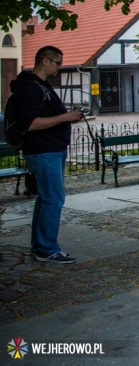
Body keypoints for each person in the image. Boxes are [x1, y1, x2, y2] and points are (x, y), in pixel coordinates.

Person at [8, 46, 84, 263]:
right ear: (45, 61)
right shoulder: (31, 88)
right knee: (53, 199)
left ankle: (40, 245)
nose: (60, 67)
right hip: (43, 151)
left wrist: (66, 117)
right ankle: (47, 248)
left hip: (50, 150)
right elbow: (31, 124)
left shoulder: (40, 85)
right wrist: (65, 117)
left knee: (46, 199)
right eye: (58, 63)